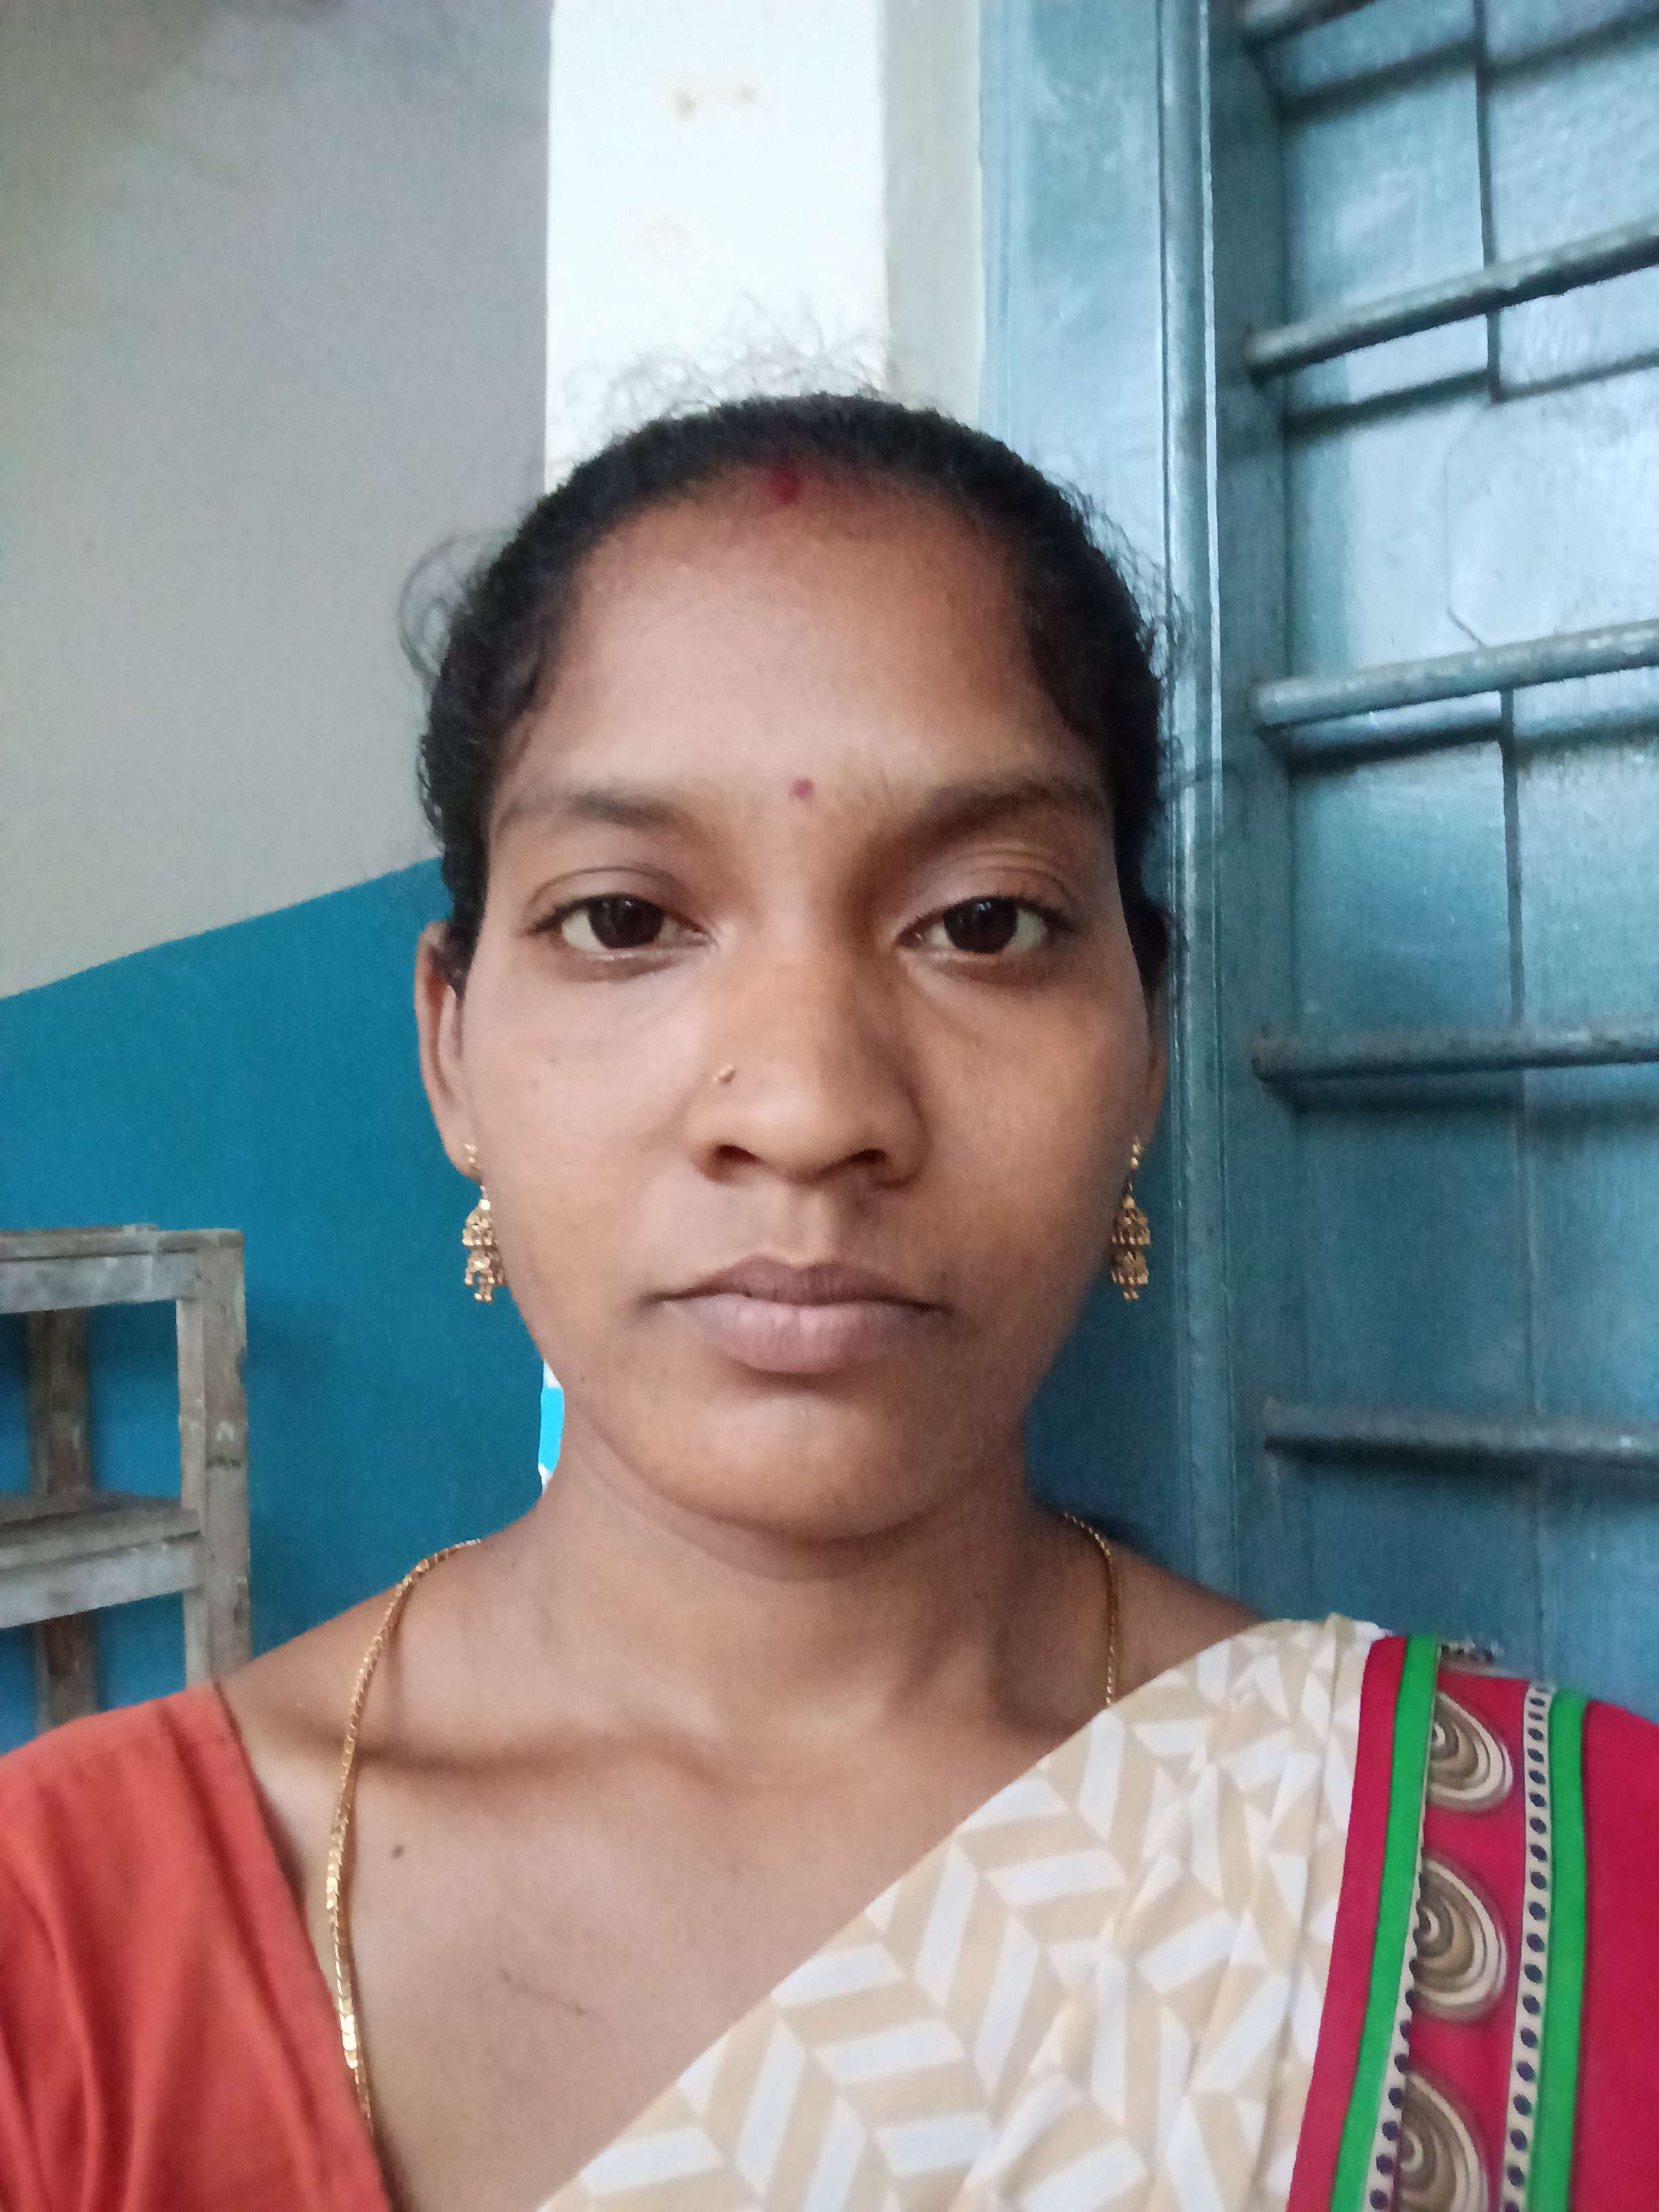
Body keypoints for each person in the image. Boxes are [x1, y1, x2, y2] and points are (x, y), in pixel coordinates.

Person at [1, 393, 1654, 2212]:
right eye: (625, 919)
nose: (804, 1111)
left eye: (985, 922)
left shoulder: (1560, 1906)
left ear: (1145, 1046)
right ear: (450, 1047)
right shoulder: (54, 1956)